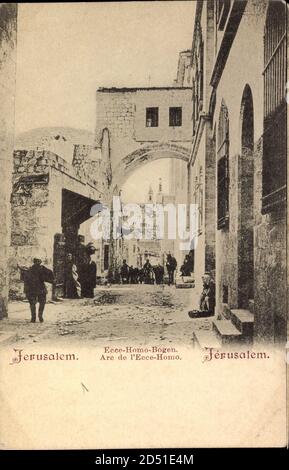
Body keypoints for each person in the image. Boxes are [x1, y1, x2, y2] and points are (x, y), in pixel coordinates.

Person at [22, 258, 54, 323]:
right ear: (38, 262)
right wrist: (52, 280)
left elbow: (25, 279)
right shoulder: (41, 268)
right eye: (38, 262)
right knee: (41, 302)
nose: (38, 263)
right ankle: (39, 316)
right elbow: (49, 274)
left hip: (32, 289)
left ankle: (34, 318)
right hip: (40, 288)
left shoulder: (30, 269)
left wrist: (26, 289)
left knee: (33, 303)